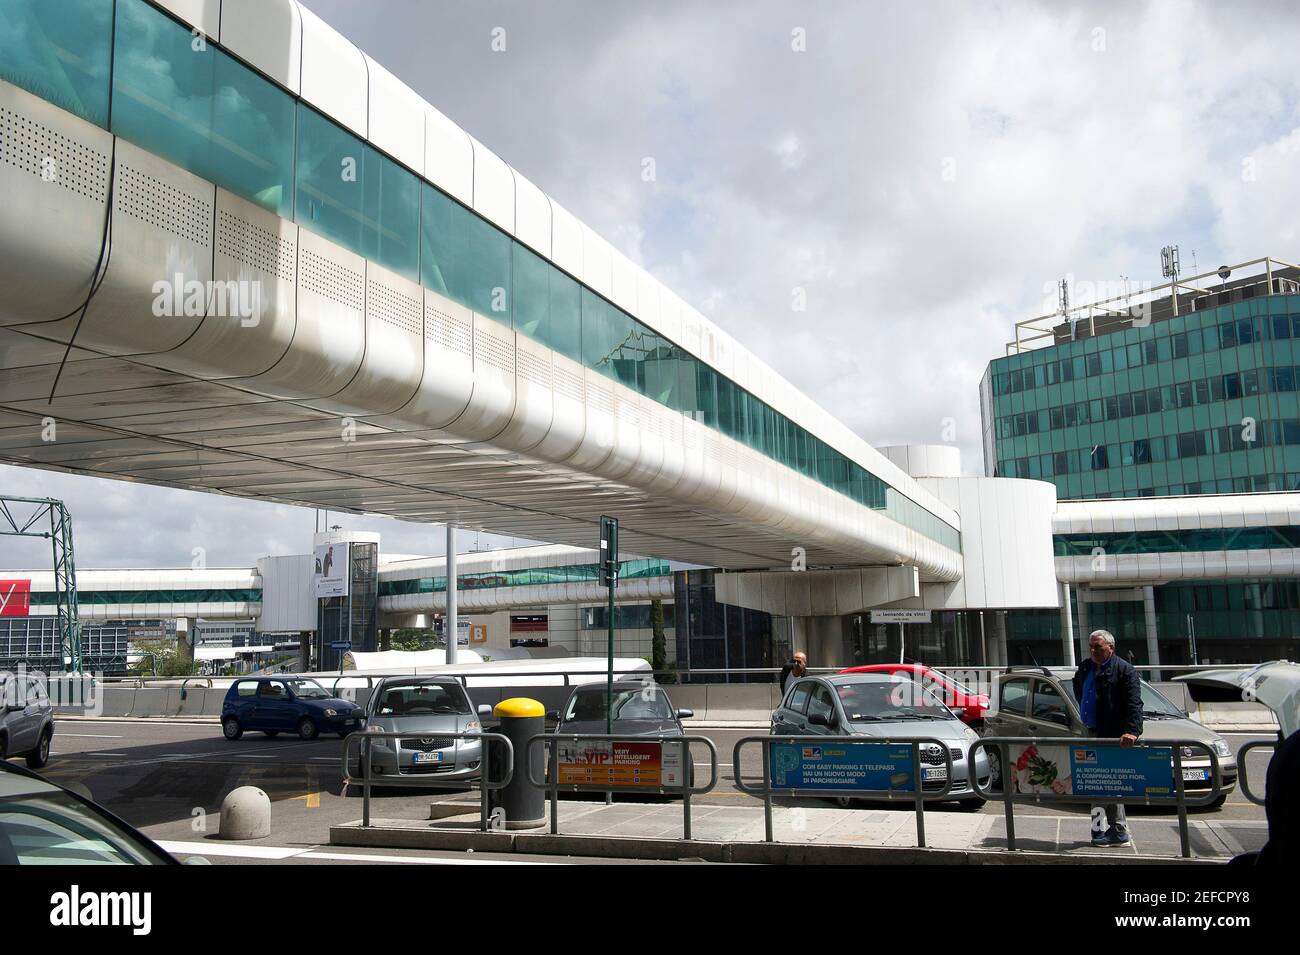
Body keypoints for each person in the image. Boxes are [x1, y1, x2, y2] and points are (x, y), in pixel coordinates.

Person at [1072, 629, 1143, 847]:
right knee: (1096, 783)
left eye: (1098, 647)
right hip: (1091, 731)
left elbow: (1134, 703)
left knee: (1109, 783)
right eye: (1091, 646)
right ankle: (1104, 830)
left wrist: (1132, 730)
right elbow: (1079, 689)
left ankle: (1114, 829)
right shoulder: (1085, 667)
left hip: (1112, 734)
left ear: (1111, 648)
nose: (1093, 651)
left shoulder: (1124, 670)